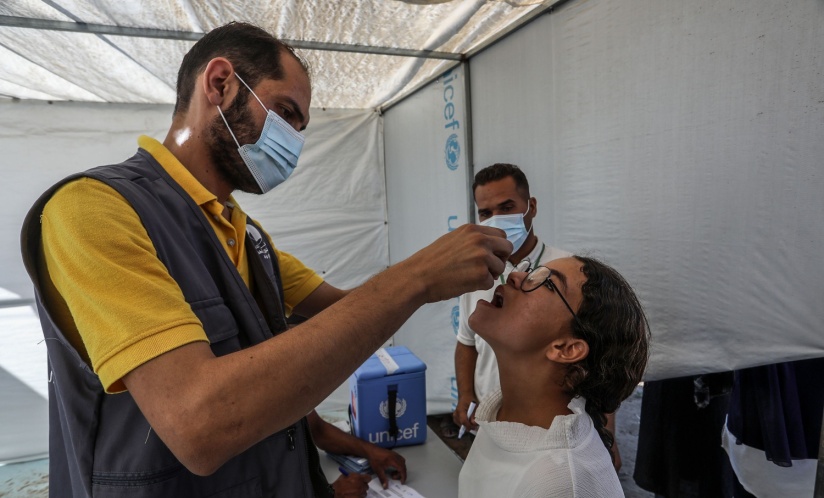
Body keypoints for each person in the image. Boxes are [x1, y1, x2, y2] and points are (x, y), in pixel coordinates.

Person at [20, 22, 511, 498]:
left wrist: (439, 273)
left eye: (301, 126)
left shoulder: (248, 237)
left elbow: (346, 313)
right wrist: (419, 276)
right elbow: (199, 423)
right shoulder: (96, 210)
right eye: (285, 113)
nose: (294, 140)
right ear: (219, 84)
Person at [458, 256, 650, 497]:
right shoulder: (504, 420)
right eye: (531, 272)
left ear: (566, 349)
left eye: (546, 282)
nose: (516, 276)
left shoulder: (562, 483)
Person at [453, 163, 570, 430]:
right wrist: (465, 396)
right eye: (486, 213)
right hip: (488, 421)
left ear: (533, 207)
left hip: (550, 425)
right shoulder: (474, 275)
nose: (496, 220)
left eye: (507, 208)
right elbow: (466, 342)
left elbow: (596, 352)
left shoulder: (568, 270)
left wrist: (605, 429)